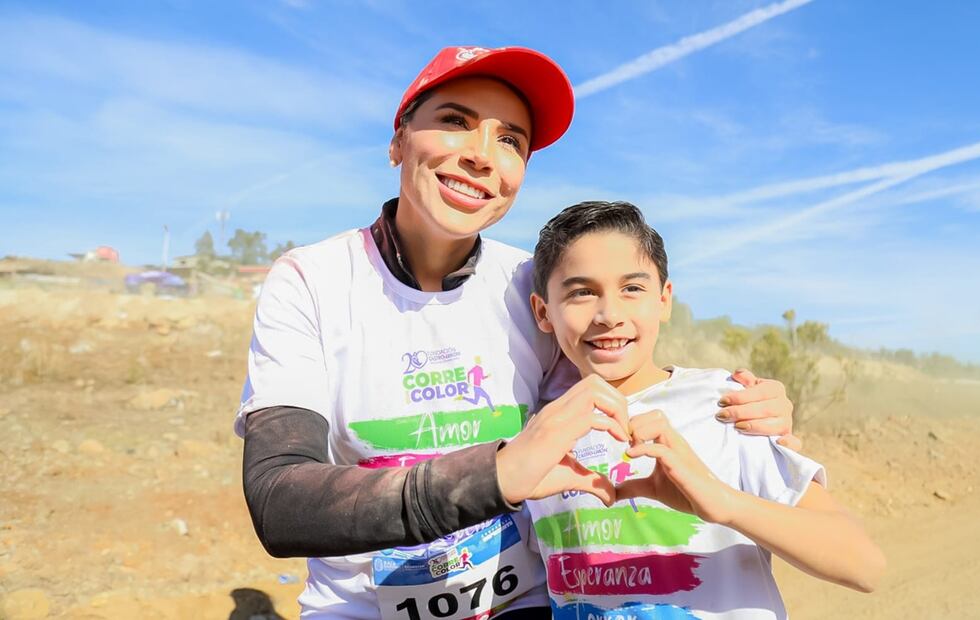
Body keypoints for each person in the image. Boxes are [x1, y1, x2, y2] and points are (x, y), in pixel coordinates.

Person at [237, 46, 797, 619]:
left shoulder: (529, 282)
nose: (482, 155)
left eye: (510, 140)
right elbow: (281, 501)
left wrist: (740, 415)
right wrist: (497, 474)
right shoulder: (312, 279)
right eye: (455, 121)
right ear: (398, 141)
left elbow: (615, 395)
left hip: (525, 606)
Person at [525, 201, 886, 619]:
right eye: (582, 292)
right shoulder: (538, 433)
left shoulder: (726, 405)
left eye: (632, 288)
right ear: (542, 312)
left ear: (664, 300)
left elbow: (864, 565)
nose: (609, 315)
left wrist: (722, 503)